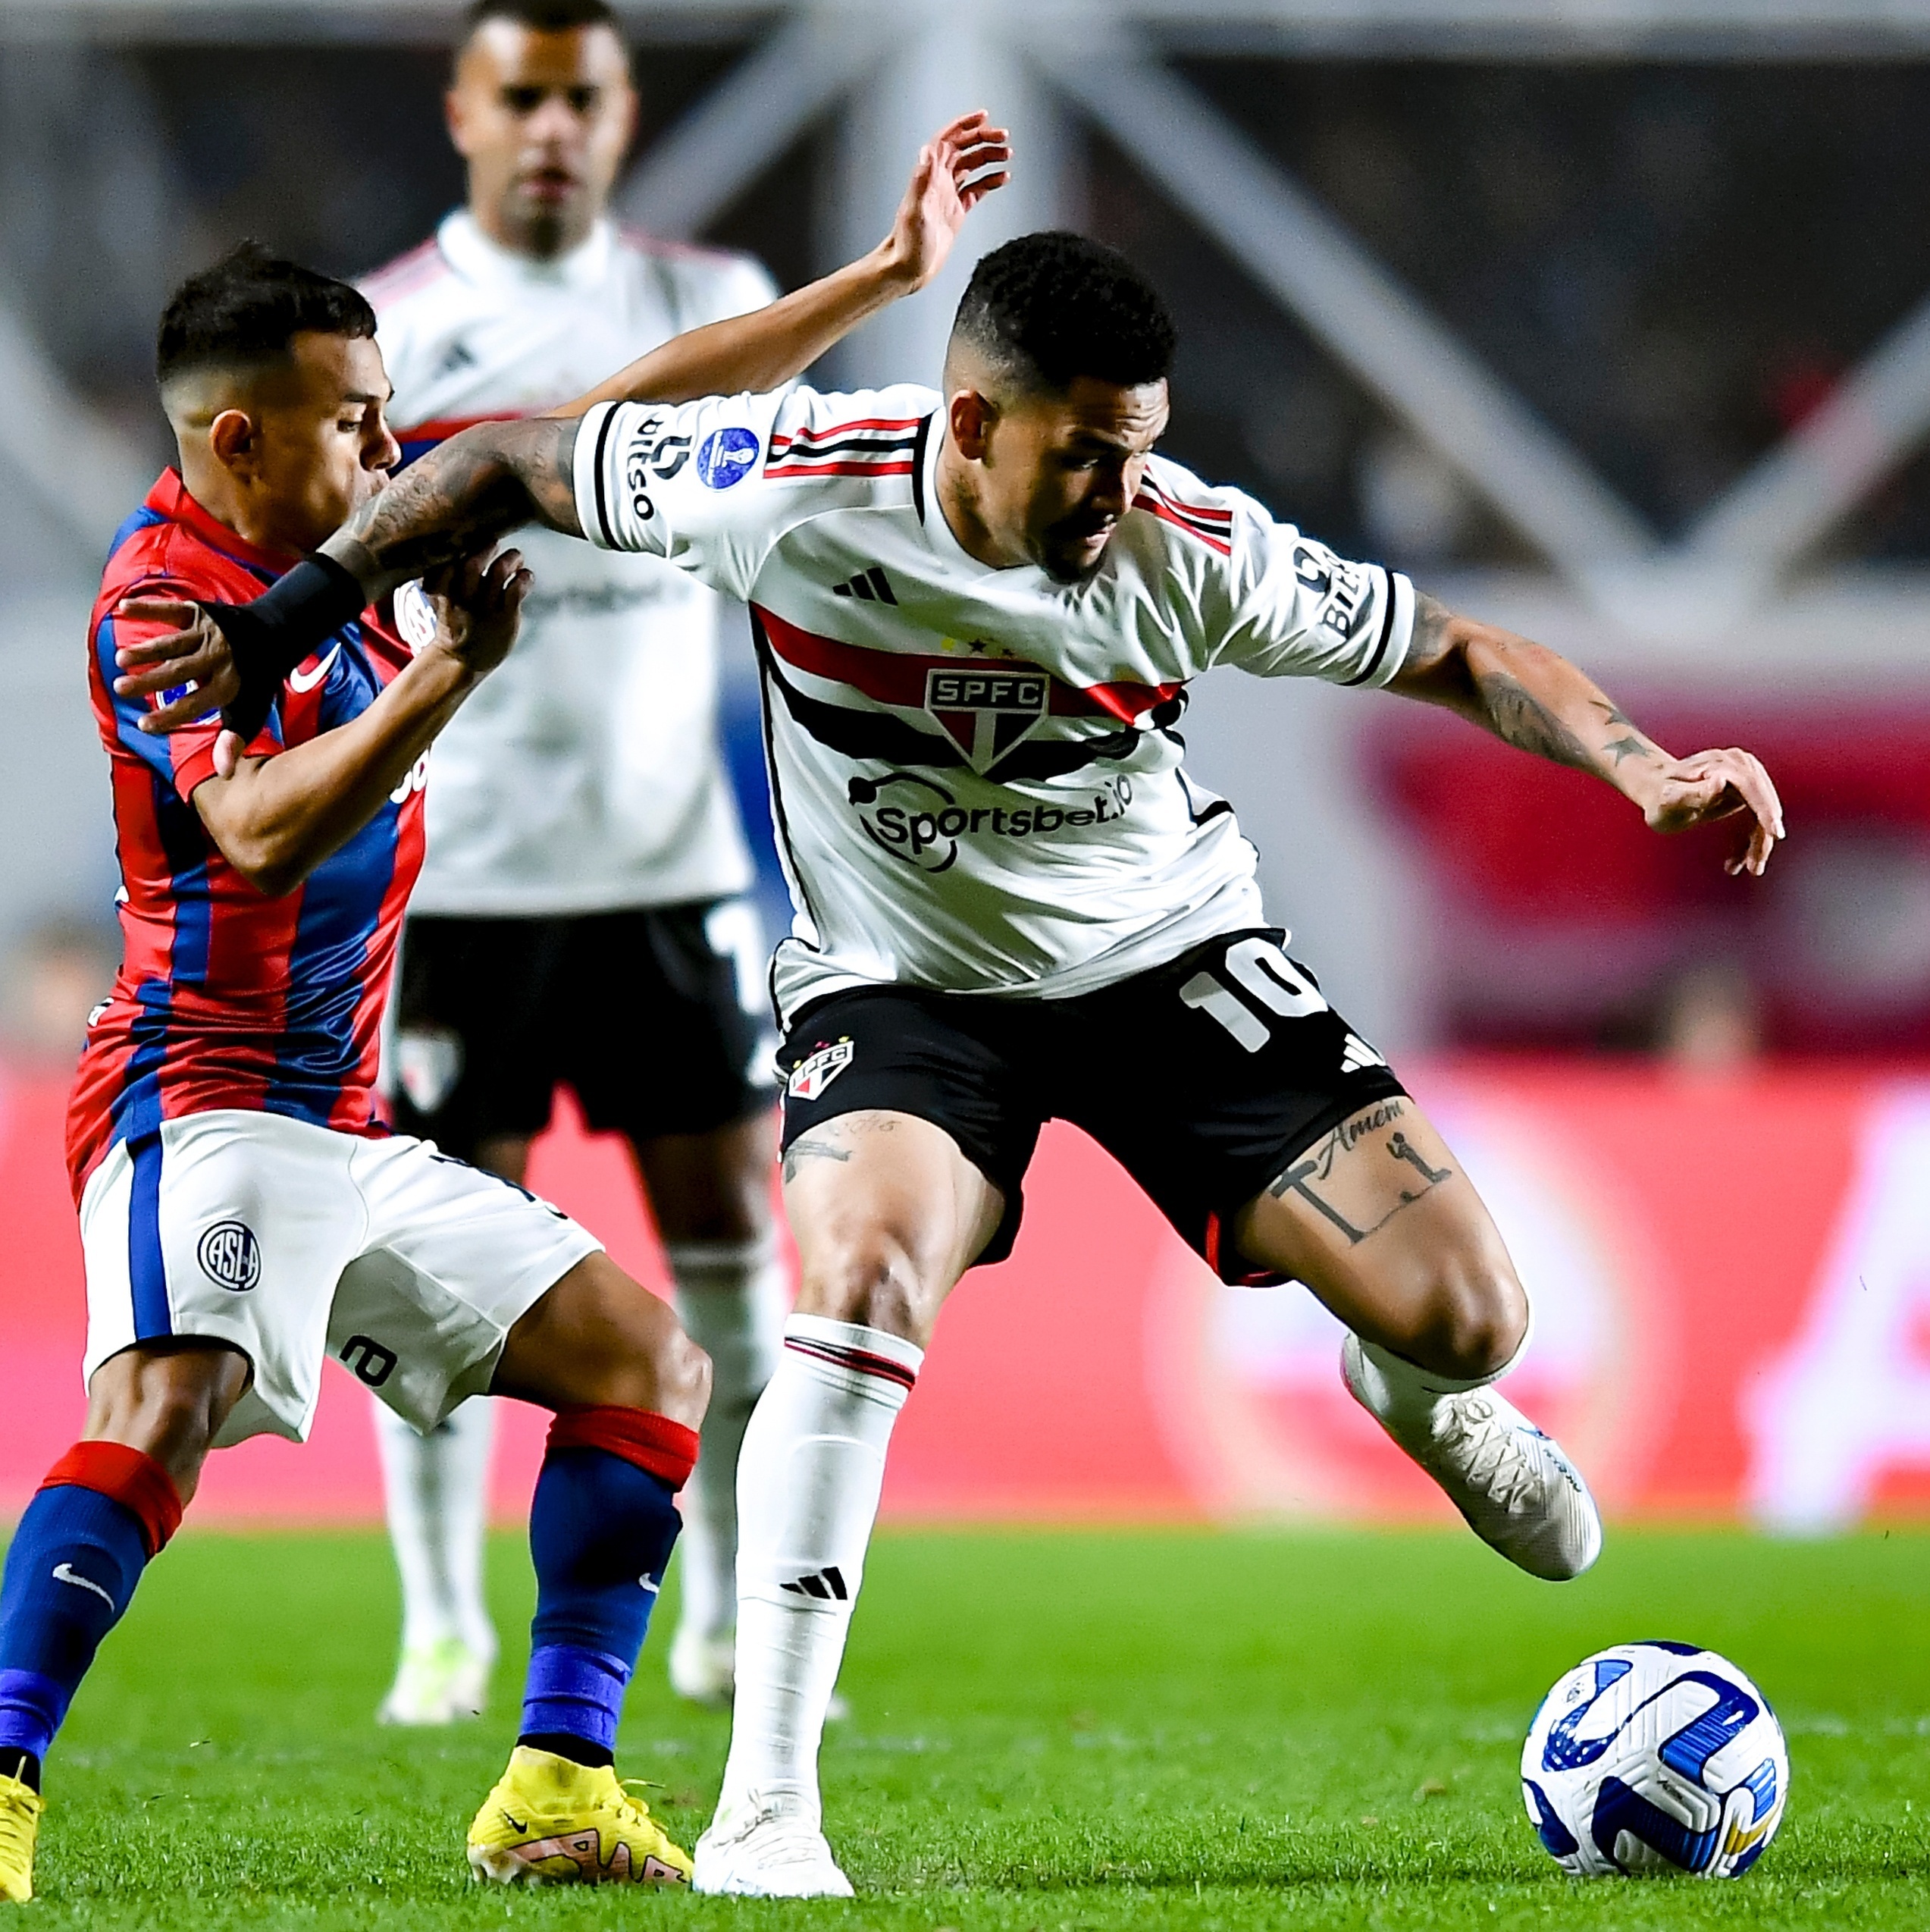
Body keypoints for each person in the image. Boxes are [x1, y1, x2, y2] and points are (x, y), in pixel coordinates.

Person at [121, 229, 1784, 1899]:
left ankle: (1407, 1383)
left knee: (1472, 1313)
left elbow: (1459, 648)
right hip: (903, 983)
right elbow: (490, 458)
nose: (1116, 492)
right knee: (850, 1281)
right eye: (1085, 453)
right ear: (971, 421)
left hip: (1164, 957)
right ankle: (768, 1806)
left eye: (1136, 449)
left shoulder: (1189, 546)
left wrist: (1640, 765)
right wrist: (281, 629)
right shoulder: (779, 478)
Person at [2, 111, 1009, 1902]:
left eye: (392, 412)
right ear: (241, 439)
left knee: (648, 1362)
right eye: (355, 420)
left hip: (345, 1121)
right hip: (198, 1096)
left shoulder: (357, 518)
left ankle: (555, 1776)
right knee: (165, 1397)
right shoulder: (162, 600)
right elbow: (247, 826)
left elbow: (633, 394)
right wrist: (445, 682)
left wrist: (878, 282)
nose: (394, 446)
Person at [360, 0, 788, 1727]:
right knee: (454, 1277)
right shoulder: (389, 326)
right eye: (518, 94)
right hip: (462, 887)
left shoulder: (708, 296)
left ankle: (728, 1614)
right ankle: (439, 1623)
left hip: (669, 870)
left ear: (621, 118)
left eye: (581, 98)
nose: (550, 125)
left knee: (729, 1257)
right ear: (463, 109)